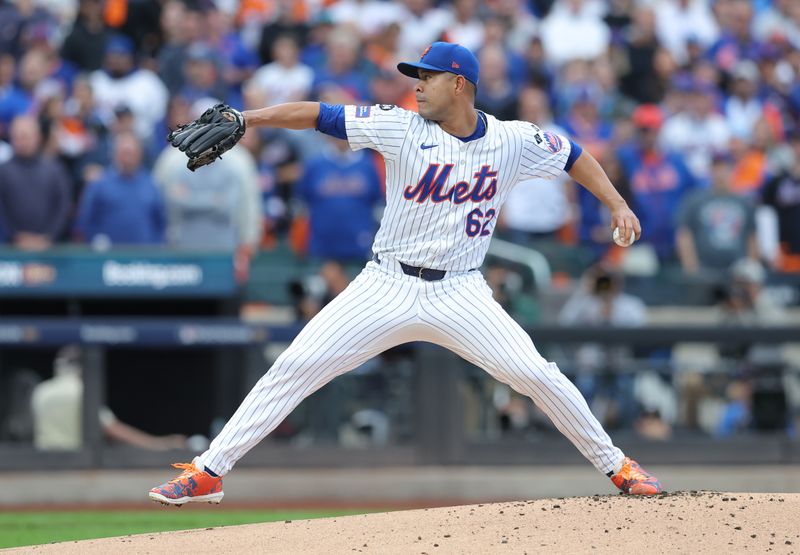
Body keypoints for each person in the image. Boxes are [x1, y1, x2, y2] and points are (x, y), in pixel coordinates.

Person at [149, 42, 662, 506]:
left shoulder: (511, 140)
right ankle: (210, 471)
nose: (417, 84)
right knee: (295, 365)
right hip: (386, 284)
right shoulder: (400, 125)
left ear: (458, 84)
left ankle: (617, 466)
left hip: (461, 290)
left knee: (534, 374)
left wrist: (616, 205)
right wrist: (248, 117)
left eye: (428, 76)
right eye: (416, 75)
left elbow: (574, 155)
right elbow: (318, 115)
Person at [32, 345, 190, 451]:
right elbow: (114, 430)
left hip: (42, 461)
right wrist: (159, 444)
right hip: (73, 463)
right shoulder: (83, 391)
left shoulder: (40, 391)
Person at [74, 131, 166, 246]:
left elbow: (160, 222)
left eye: (131, 152)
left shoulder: (151, 184)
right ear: (115, 154)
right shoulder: (99, 184)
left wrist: (155, 246)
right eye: (124, 152)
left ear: (140, 154)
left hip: (143, 259)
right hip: (108, 259)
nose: (128, 157)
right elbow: (86, 220)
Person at [0, 115, 71, 249]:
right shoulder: (3, 171)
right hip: (10, 249)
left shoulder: (55, 170)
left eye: (26, 136)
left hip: (50, 249)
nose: (23, 141)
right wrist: (16, 236)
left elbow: (63, 206)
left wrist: (49, 236)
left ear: (38, 137)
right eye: (19, 137)